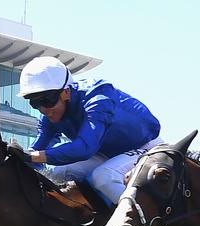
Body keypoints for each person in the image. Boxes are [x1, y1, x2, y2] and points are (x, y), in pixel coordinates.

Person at [10, 56, 163, 206]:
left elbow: (84, 148)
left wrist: (31, 156)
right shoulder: (52, 114)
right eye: (35, 103)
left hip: (144, 147)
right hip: (103, 153)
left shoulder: (98, 99)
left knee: (103, 177)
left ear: (66, 92)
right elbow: (37, 150)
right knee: (56, 174)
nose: (43, 109)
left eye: (47, 100)